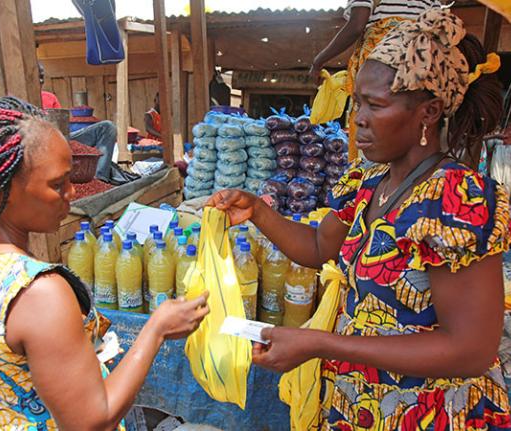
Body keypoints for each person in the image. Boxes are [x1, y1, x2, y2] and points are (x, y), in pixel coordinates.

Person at [210, 9, 511, 429]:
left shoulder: (455, 199)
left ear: (429, 112)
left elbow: (471, 350)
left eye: (376, 104)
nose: (358, 118)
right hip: (365, 403)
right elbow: (318, 248)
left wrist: (319, 343)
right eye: (357, 102)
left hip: (433, 411)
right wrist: (257, 211)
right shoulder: (370, 183)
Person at [0, 96, 209, 430]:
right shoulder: (38, 291)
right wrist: (156, 330)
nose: (72, 192)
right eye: (57, 184)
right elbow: (91, 421)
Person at [309, 0, 441, 160]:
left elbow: (357, 25)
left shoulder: (379, 68)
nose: (359, 119)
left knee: (372, 144)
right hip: (420, 65)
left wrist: (318, 61)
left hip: (379, 65)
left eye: (374, 105)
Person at [38, 62, 119, 183]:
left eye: (42, 76)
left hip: (61, 139)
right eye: (37, 76)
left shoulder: (50, 97)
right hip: (39, 147)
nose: (40, 80)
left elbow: (62, 127)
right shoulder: (16, 100)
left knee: (107, 127)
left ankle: (99, 178)